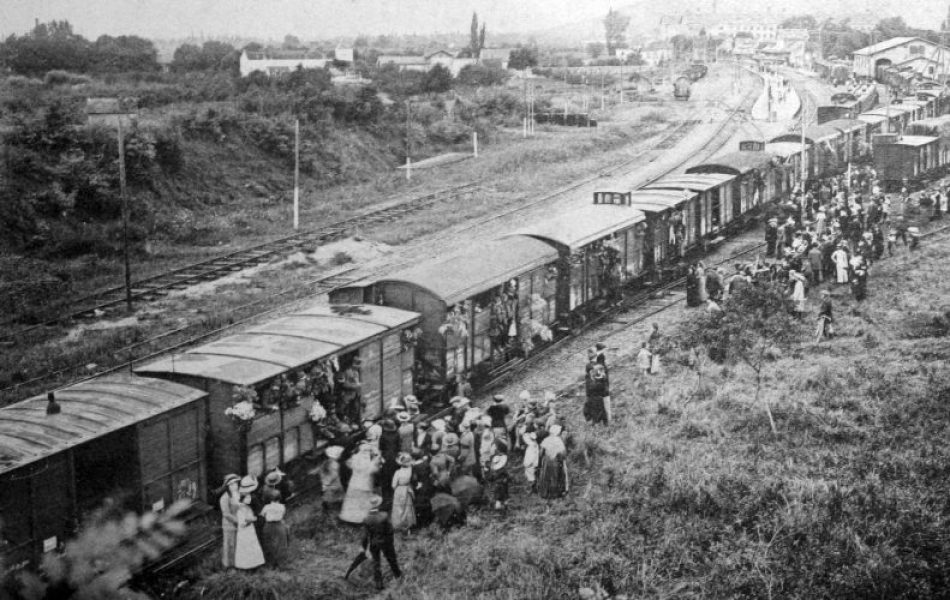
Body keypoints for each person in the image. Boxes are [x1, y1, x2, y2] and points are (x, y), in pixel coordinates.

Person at [344, 495, 402, 590]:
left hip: (374, 543)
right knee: (392, 560)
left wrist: (364, 546)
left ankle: (379, 584)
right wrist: (390, 542)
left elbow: (365, 535)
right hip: (386, 542)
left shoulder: (367, 519)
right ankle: (398, 576)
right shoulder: (384, 515)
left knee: (376, 563)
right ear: (378, 505)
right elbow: (390, 531)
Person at [340, 443, 381, 524]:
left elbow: (350, 465)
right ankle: (361, 516)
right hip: (364, 483)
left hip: (355, 482)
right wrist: (376, 459)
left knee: (353, 500)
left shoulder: (355, 457)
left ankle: (349, 515)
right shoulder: (367, 460)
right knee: (363, 499)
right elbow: (372, 470)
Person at [234, 476, 265, 570]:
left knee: (244, 543)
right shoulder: (252, 498)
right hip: (251, 521)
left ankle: (244, 563)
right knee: (254, 541)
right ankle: (254, 563)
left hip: (242, 520)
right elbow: (259, 513)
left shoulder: (239, 496)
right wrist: (255, 518)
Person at [259, 489, 290, 569]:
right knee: (281, 543)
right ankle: (282, 563)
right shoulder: (282, 506)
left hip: (268, 525)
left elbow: (262, 515)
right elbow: (283, 514)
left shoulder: (266, 507)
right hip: (279, 525)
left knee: (270, 543)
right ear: (279, 498)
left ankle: (272, 563)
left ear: (270, 499)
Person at [538, 424, 569, 499]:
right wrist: (562, 457)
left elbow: (540, 452)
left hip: (547, 460)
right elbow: (563, 452)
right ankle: (555, 494)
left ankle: (545, 493)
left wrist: (543, 458)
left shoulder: (546, 439)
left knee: (546, 476)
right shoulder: (558, 440)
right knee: (555, 476)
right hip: (555, 460)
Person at [219, 474, 241, 569]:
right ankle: (229, 565)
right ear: (227, 486)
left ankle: (238, 562)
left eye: (235, 483)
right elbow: (226, 514)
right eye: (231, 484)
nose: (234, 486)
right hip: (230, 524)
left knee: (237, 543)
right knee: (230, 544)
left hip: (239, 522)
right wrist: (237, 521)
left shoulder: (238, 494)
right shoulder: (224, 498)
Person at [390, 453, 416, 532]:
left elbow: (393, 485)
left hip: (399, 490)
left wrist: (396, 488)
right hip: (407, 489)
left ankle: (399, 525)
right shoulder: (410, 470)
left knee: (398, 508)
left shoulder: (398, 472)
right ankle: (408, 525)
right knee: (407, 508)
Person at [317, 446, 345, 515]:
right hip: (334, 484)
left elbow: (323, 474)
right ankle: (336, 509)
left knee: (330, 496)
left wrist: (324, 484)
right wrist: (326, 485)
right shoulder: (334, 464)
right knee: (337, 496)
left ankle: (327, 507)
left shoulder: (326, 463)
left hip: (330, 484)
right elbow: (333, 475)